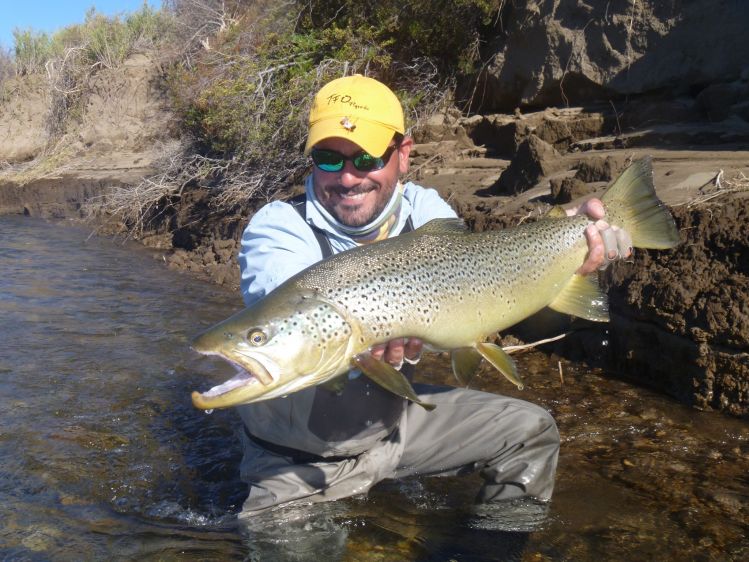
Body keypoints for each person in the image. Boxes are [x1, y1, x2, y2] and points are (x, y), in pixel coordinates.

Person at [235, 75, 630, 523]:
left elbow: (488, 285)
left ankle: (494, 548)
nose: (347, 177)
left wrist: (565, 237)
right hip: (297, 465)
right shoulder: (278, 229)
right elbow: (290, 324)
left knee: (530, 432)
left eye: (366, 157)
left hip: (392, 429)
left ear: (403, 156)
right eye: (328, 158)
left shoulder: (426, 212)